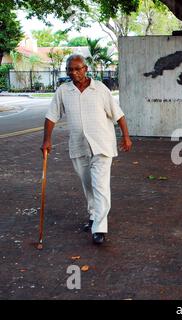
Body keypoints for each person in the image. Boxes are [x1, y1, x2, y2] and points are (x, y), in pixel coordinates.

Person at [40, 54, 132, 245]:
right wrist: (47, 140)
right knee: (88, 184)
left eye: (77, 69)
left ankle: (99, 228)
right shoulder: (63, 91)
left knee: (100, 186)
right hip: (79, 145)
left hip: (102, 144)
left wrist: (126, 136)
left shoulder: (100, 89)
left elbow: (118, 114)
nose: (74, 73)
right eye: (70, 70)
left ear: (85, 69)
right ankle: (93, 215)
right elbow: (51, 116)